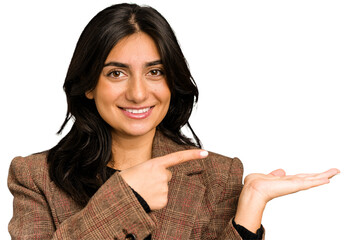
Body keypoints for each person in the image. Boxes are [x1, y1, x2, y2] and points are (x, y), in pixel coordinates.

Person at [7, 3, 339, 240]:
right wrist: (126, 199)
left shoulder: (219, 178)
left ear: (172, 82)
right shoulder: (35, 177)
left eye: (155, 72)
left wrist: (249, 209)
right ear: (90, 85)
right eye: (117, 73)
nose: (138, 93)